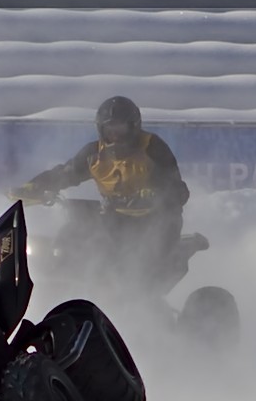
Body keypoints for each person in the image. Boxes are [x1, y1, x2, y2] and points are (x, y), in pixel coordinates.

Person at [10, 96, 194, 292]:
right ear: (100, 128)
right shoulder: (94, 154)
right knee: (76, 231)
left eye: (120, 127)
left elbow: (178, 190)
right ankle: (60, 284)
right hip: (114, 218)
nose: (115, 134)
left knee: (139, 266)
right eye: (109, 128)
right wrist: (35, 186)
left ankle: (137, 298)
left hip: (156, 222)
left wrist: (155, 195)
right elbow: (66, 173)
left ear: (134, 126)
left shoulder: (152, 148)